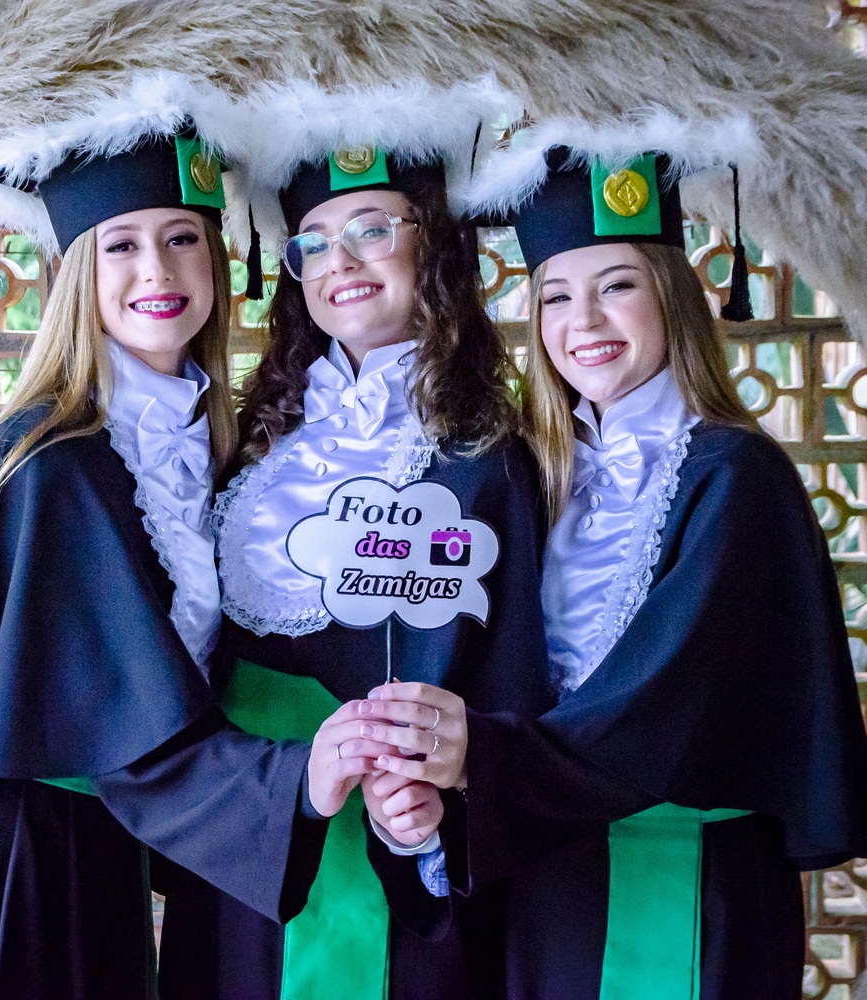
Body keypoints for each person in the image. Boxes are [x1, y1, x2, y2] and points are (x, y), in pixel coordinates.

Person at [0, 83, 390, 1000]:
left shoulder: (207, 447)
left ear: (217, 259)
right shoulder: (54, 464)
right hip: (4, 867)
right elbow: (118, 719)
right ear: (80, 273)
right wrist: (296, 781)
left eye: (182, 238)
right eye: (121, 245)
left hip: (99, 848)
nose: (157, 270)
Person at [357, 132, 867, 998]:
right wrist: (425, 802)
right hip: (549, 875)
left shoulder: (733, 477)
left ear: (673, 296)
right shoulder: (535, 479)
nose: (585, 323)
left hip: (687, 872)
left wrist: (476, 758)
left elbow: (665, 700)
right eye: (556, 296)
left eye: (617, 287)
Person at [153, 82, 556, 1000]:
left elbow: (516, 686)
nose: (341, 261)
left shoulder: (491, 457)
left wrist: (438, 814)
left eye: (373, 229)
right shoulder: (251, 443)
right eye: (314, 243)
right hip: (255, 841)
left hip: (401, 840)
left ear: (433, 244)